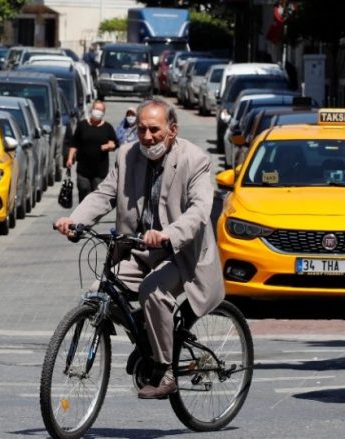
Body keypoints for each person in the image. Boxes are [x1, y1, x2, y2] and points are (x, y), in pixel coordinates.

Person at [54, 98, 225, 399]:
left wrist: (168, 234)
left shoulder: (194, 160)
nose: (147, 137)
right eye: (141, 129)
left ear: (173, 130)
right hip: (140, 251)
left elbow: (199, 212)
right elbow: (104, 194)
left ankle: (166, 371)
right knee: (101, 290)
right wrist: (74, 220)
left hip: (182, 253)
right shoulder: (127, 156)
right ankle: (148, 338)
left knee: (153, 290)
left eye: (154, 130)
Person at [66, 100, 119, 202]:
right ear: (92, 110)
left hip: (100, 171)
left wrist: (109, 146)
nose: (98, 112)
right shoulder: (82, 125)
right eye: (96, 109)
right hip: (83, 169)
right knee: (84, 189)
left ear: (104, 112)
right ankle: (82, 215)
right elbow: (74, 143)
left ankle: (93, 217)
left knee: (96, 195)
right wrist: (69, 158)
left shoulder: (107, 128)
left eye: (101, 110)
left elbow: (115, 143)